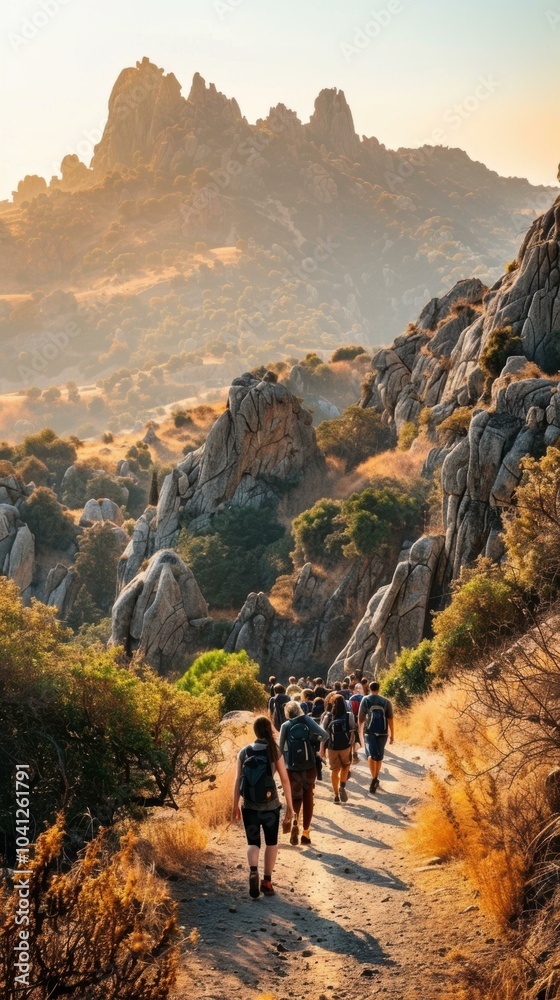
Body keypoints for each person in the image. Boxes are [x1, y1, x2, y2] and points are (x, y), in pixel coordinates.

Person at [233, 716, 294, 898]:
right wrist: (290, 805)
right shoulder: (274, 751)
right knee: (271, 842)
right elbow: (284, 779)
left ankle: (253, 871)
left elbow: (238, 780)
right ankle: (267, 882)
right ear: (269, 730)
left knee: (253, 842)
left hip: (249, 806)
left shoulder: (244, 751)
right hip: (270, 807)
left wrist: (235, 805)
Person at [279, 702, 328, 846]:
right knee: (308, 797)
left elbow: (280, 749)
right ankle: (306, 833)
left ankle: (295, 820)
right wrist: (312, 739)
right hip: (310, 766)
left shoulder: (285, 726)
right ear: (299, 710)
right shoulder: (307, 720)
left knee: (295, 798)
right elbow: (324, 736)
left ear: (287, 713)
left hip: (292, 768)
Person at [359, 681, 394, 794]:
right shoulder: (386, 701)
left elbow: (361, 719)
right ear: (379, 688)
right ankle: (375, 777)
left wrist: (360, 733)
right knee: (379, 756)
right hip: (383, 732)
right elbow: (390, 719)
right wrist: (392, 734)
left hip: (370, 732)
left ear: (369, 688)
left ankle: (373, 778)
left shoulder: (365, 700)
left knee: (370, 755)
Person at [320, 694, 356, 804]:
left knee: (334, 770)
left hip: (332, 747)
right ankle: (342, 786)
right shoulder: (349, 715)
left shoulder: (328, 716)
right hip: (345, 746)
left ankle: (336, 796)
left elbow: (323, 733)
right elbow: (353, 729)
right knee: (345, 766)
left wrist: (322, 749)